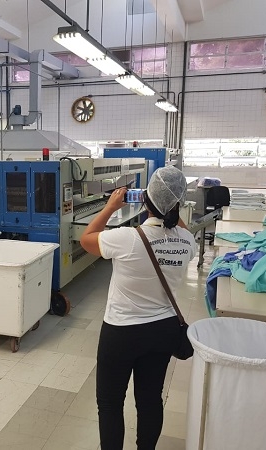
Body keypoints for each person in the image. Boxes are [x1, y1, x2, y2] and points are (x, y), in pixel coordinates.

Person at [80, 166, 196, 450]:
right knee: (150, 399)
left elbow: (86, 239)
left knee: (110, 402)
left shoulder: (125, 239)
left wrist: (110, 207)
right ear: (178, 203)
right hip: (163, 331)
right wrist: (170, 206)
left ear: (145, 200)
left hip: (122, 332)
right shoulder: (187, 242)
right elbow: (178, 227)